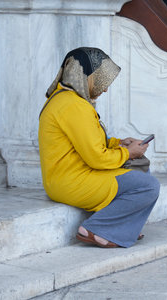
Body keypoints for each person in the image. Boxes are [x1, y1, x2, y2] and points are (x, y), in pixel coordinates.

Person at [38, 47, 160, 248]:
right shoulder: (73, 106)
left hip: (69, 177)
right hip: (70, 181)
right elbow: (96, 158)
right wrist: (128, 152)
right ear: (85, 77)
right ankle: (97, 229)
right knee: (148, 185)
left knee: (140, 172)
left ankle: (121, 226)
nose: (104, 89)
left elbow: (88, 142)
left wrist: (119, 144)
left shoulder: (68, 100)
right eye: (101, 81)